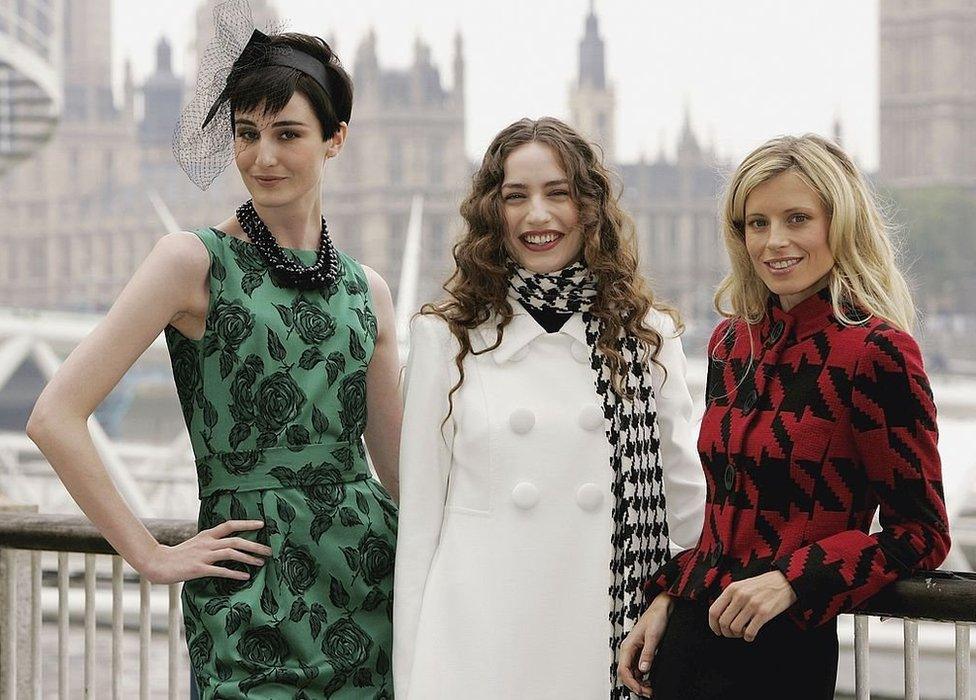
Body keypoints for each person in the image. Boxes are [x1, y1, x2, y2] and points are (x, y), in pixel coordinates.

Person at [27, 9, 400, 698]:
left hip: (371, 588)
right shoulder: (191, 263)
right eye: (246, 133)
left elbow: (403, 476)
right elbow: (54, 416)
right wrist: (150, 554)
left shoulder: (368, 292)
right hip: (248, 598)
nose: (262, 157)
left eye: (288, 134)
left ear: (335, 140)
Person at [617, 134, 952, 699]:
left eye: (797, 218)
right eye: (757, 223)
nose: (775, 242)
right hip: (687, 646)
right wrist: (673, 593)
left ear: (838, 225)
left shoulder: (876, 353)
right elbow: (726, 519)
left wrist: (794, 580)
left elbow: (920, 534)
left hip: (780, 656)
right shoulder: (730, 345)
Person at [393, 117, 705, 699]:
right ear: (494, 213)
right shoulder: (445, 339)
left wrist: (669, 602)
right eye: (517, 196)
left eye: (557, 193)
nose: (538, 216)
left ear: (589, 208)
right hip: (477, 649)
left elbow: (687, 506)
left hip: (612, 642)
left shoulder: (648, 336)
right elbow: (418, 533)